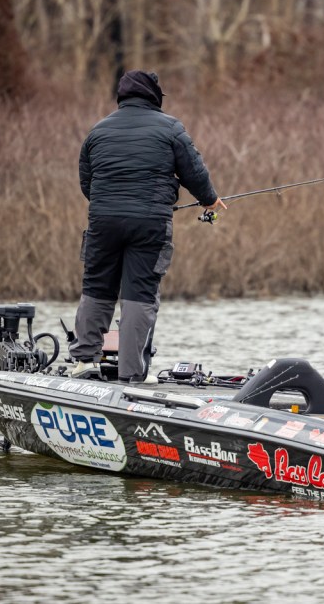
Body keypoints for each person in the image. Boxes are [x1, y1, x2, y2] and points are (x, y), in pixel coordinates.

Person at [70, 70, 224, 383]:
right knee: (139, 295)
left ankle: (84, 362)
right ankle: (131, 373)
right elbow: (194, 172)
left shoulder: (98, 131)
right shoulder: (171, 128)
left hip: (103, 222)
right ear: (154, 96)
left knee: (97, 287)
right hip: (149, 224)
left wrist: (109, 205)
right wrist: (209, 200)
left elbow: (87, 182)